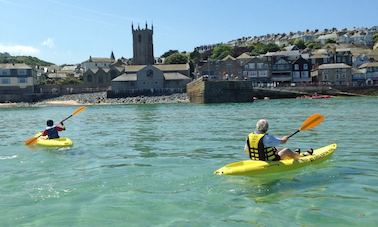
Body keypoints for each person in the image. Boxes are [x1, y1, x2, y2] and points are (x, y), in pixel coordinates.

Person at [244, 119, 312, 161]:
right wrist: (285, 138)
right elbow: (282, 141)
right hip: (268, 160)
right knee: (286, 150)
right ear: (267, 128)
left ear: (257, 127)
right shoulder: (267, 137)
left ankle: (294, 154)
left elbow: (246, 150)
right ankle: (299, 156)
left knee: (277, 149)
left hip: (255, 159)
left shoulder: (249, 136)